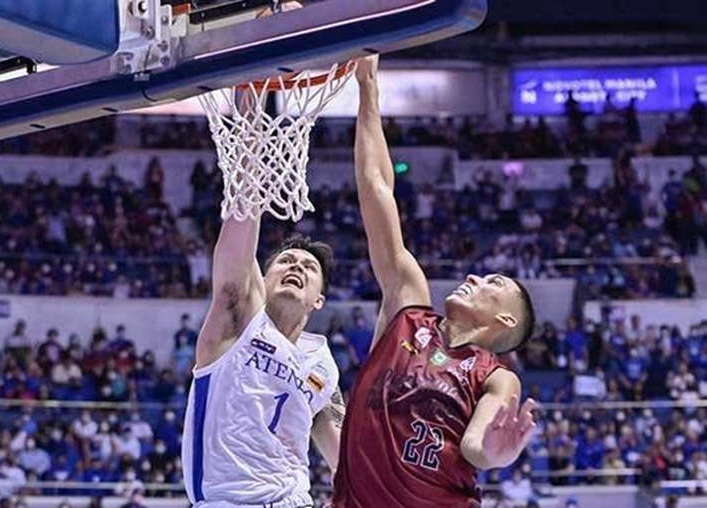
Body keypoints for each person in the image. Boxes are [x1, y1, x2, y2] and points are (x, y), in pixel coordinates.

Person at [332, 56, 537, 508]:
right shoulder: (407, 307)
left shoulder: (497, 378)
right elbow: (375, 187)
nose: (472, 276)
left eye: (491, 281)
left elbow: (475, 446)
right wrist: (368, 90)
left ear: (504, 318)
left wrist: (494, 453)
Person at [181, 184, 343, 503]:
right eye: (285, 261)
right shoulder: (238, 324)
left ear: (319, 300)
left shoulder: (324, 367)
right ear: (263, 282)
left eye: (309, 267)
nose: (297, 266)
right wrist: (250, 149)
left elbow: (348, 459)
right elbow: (238, 226)